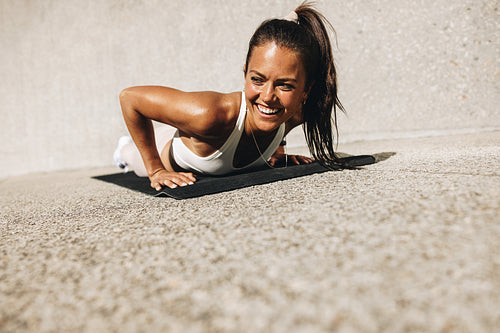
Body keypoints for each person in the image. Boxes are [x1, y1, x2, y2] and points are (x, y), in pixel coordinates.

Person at [116, 2, 344, 191]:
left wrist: (277, 152)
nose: (267, 96)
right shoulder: (210, 114)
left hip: (200, 138)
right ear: (245, 73)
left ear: (306, 90)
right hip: (164, 145)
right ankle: (123, 148)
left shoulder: (296, 114)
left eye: (284, 85)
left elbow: (277, 125)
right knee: (128, 155)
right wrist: (156, 169)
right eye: (257, 79)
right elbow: (130, 98)